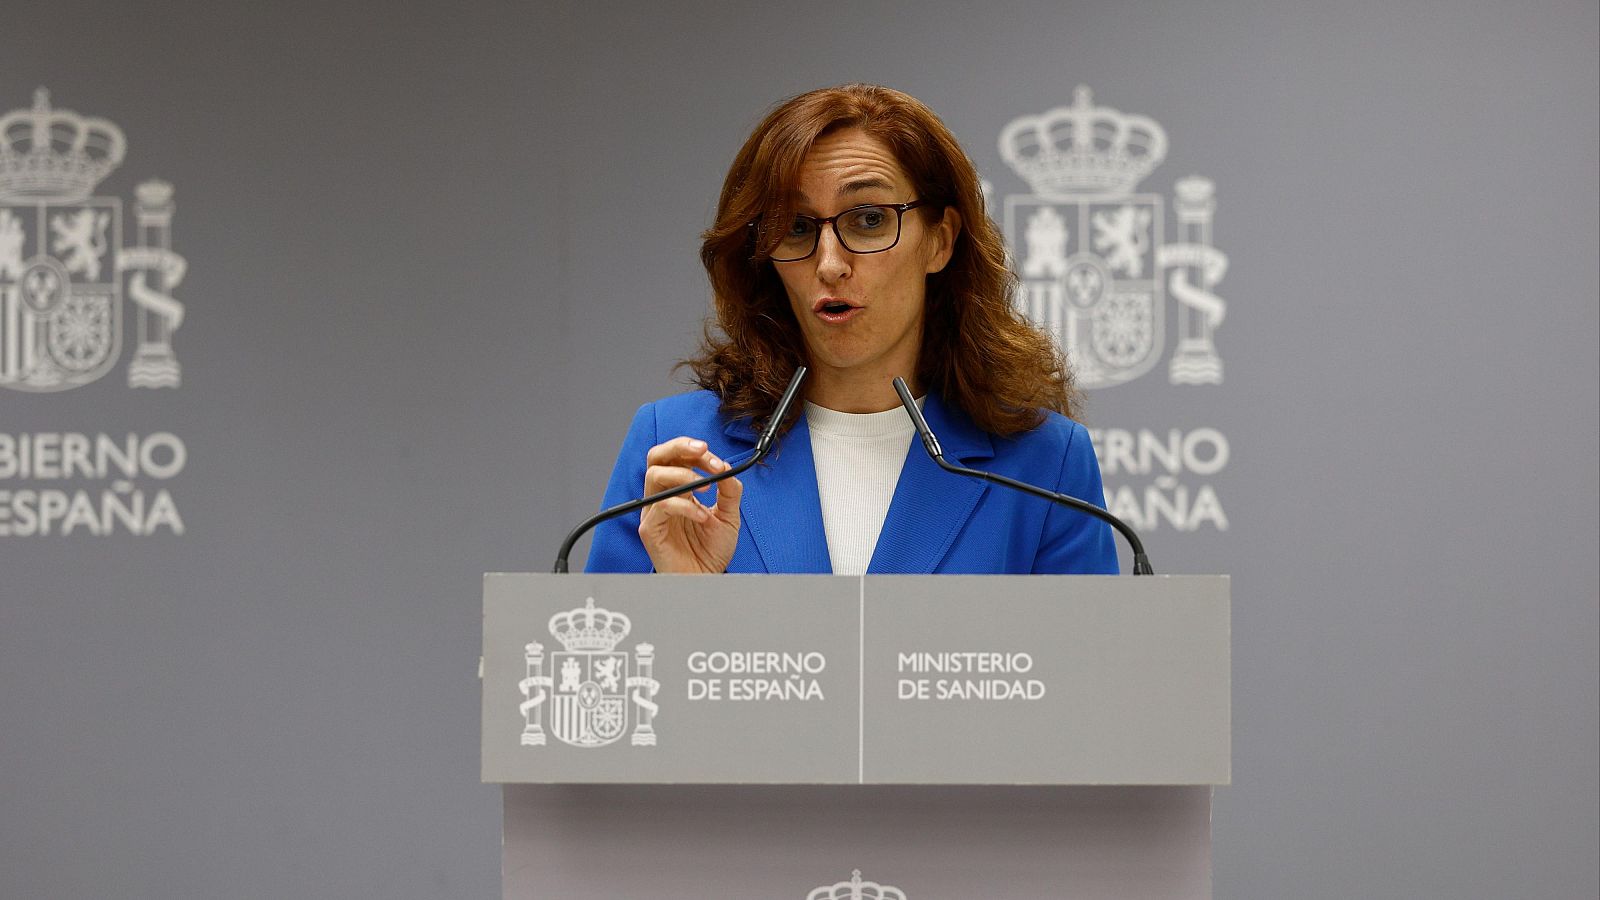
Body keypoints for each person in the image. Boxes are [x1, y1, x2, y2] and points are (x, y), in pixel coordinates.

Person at [585, 84, 1117, 575]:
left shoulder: (1045, 465)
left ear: (941, 240)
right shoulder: (677, 450)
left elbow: (1088, 671)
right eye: (796, 228)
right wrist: (684, 602)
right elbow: (605, 663)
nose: (830, 263)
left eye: (868, 219)